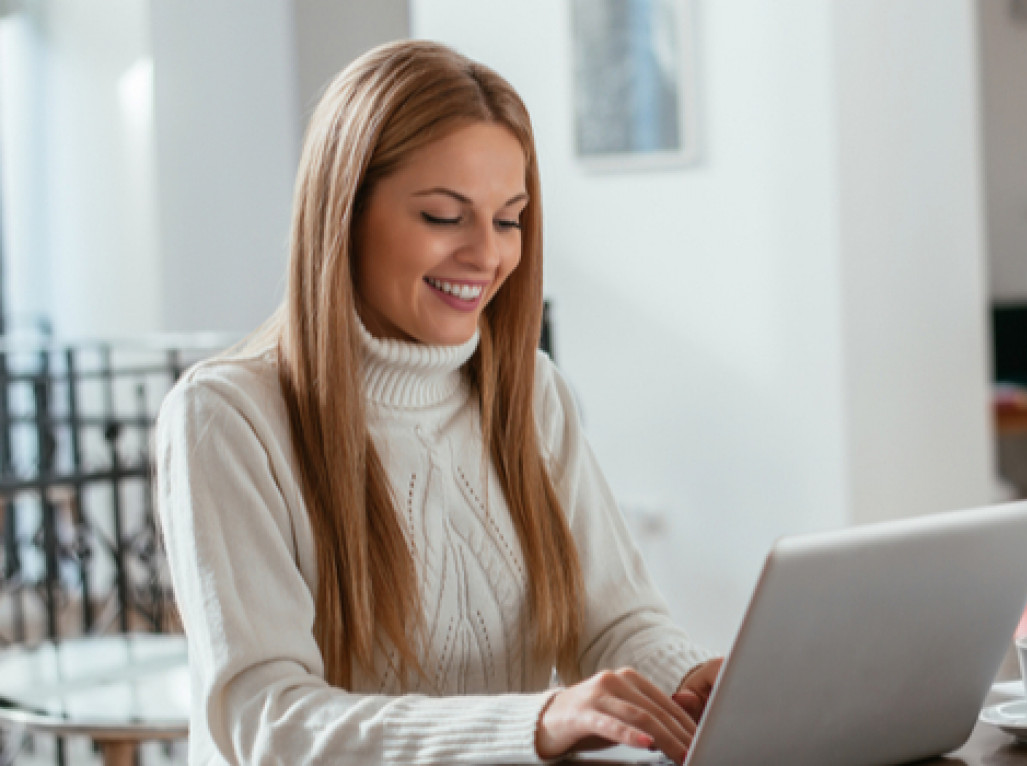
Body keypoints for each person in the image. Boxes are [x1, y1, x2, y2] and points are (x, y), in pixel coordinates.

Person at [154, 39, 720, 765]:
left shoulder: (529, 391)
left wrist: (695, 680)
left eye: (509, 218)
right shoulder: (227, 418)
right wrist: (537, 722)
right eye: (444, 217)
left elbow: (615, 622)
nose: (488, 256)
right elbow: (273, 724)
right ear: (345, 212)